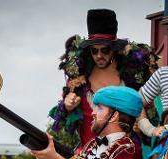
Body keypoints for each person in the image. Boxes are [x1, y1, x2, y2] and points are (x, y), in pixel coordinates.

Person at [48, 9, 158, 149]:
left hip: (123, 152)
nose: (99, 55)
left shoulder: (132, 73)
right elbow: (64, 115)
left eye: (105, 50)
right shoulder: (79, 75)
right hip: (88, 153)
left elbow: (144, 108)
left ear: (113, 48)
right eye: (94, 50)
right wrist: (68, 104)